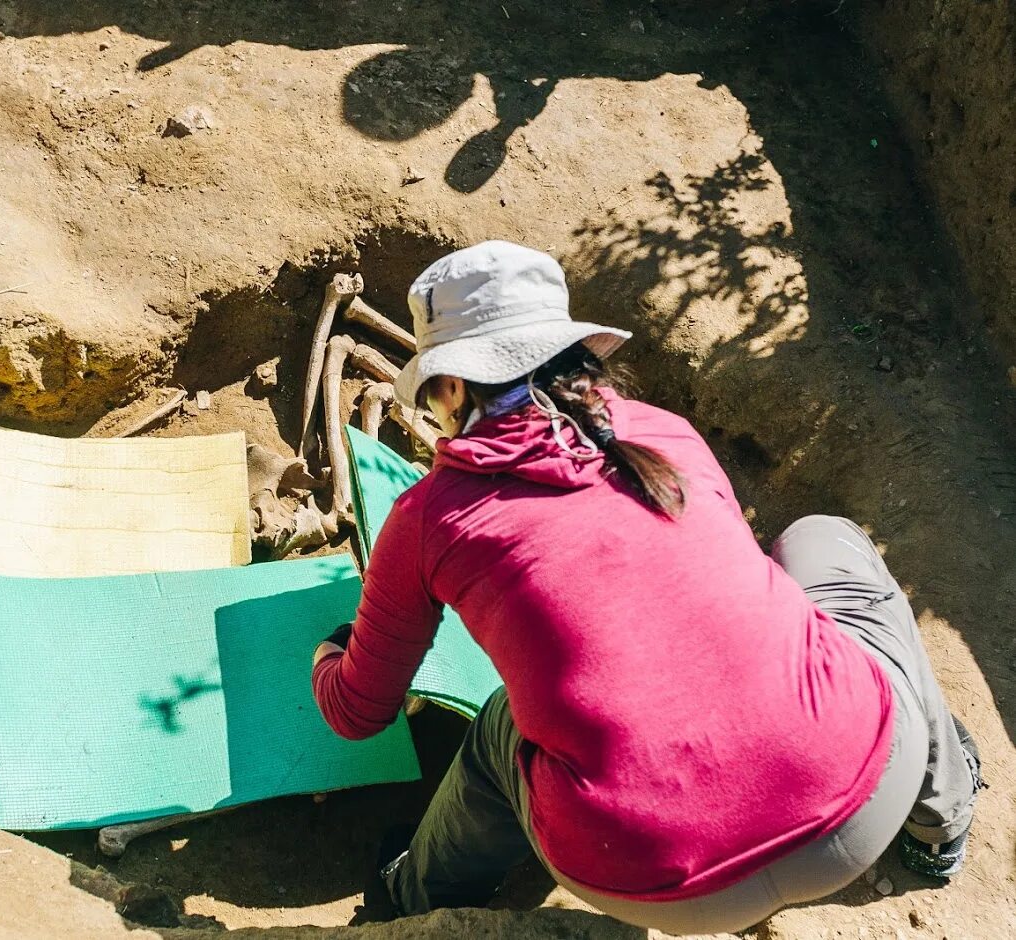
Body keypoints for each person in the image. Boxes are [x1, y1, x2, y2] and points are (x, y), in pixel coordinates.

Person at [310, 241, 984, 934]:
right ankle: (940, 827)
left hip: (660, 882)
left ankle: (411, 901)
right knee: (820, 542)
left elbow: (357, 714)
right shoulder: (663, 431)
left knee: (498, 728)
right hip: (862, 805)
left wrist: (329, 653)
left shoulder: (429, 518)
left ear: (453, 385)